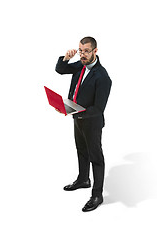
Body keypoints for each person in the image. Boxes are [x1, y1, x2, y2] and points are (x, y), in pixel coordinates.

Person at [55, 37, 112, 212]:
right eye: (80, 50)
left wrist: (74, 111)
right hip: (77, 118)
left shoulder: (103, 77)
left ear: (95, 51)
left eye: (86, 51)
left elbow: (98, 109)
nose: (82, 54)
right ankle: (83, 180)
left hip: (92, 122)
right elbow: (60, 70)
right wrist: (66, 58)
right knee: (81, 149)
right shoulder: (80, 65)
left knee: (96, 157)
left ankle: (97, 194)